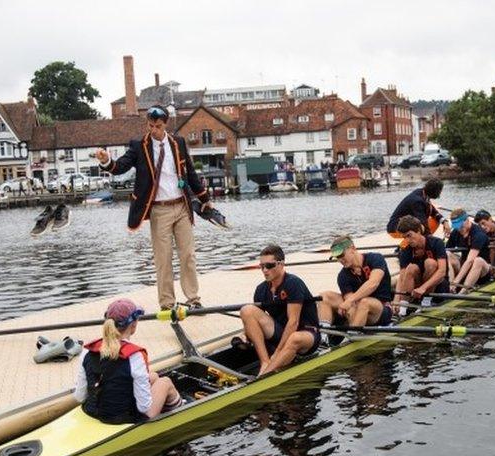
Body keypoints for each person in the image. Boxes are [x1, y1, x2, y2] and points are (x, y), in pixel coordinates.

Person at [95, 105, 212, 311]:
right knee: (163, 259)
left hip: (182, 206)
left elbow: (190, 173)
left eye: (158, 126)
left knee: (188, 255)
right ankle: (167, 304)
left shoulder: (179, 143)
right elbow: (120, 166)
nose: (154, 130)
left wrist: (204, 198)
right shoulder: (139, 146)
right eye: (151, 126)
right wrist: (107, 161)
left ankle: (193, 300)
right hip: (159, 210)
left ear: (165, 124)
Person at [74, 298, 184, 423]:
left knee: (153, 376)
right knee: (165, 382)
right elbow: (144, 407)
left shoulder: (87, 351)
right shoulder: (135, 356)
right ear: (134, 325)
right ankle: (182, 412)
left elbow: (79, 396)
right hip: (122, 418)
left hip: (92, 411)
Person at [239, 245, 321, 376]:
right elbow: (253, 321)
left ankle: (266, 375)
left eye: (269, 266)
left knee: (294, 338)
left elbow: (293, 323)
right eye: (262, 266)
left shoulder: (294, 283)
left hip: (307, 334)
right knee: (246, 310)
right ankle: (265, 362)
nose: (265, 270)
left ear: (281, 264)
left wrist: (277, 352)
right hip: (281, 332)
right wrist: (245, 334)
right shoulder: (261, 289)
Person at [317, 235, 395, 329]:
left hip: (381, 309)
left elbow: (373, 283)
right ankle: (324, 335)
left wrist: (351, 300)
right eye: (337, 257)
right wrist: (349, 307)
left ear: (353, 249)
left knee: (364, 302)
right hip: (358, 308)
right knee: (324, 296)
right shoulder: (343, 276)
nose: (340, 260)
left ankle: (353, 332)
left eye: (341, 255)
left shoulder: (375, 258)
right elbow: (350, 302)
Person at [395, 215, 449, 313]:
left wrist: (423, 288)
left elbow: (442, 271)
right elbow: (402, 277)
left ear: (418, 231)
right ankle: (402, 309)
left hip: (438, 287)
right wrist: (396, 299)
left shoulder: (436, 243)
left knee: (430, 263)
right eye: (404, 237)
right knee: (411, 268)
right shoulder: (405, 250)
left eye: (409, 235)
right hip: (417, 291)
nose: (407, 240)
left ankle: (426, 302)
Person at [445, 208, 491, 292]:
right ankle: (450, 288)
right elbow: (444, 253)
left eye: (461, 226)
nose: (459, 229)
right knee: (447, 254)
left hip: (483, 271)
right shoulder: (456, 232)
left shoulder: (478, 234)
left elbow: (470, 261)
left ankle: (462, 292)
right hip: (464, 269)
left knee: (477, 261)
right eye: (456, 227)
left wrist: (456, 281)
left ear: (467, 220)